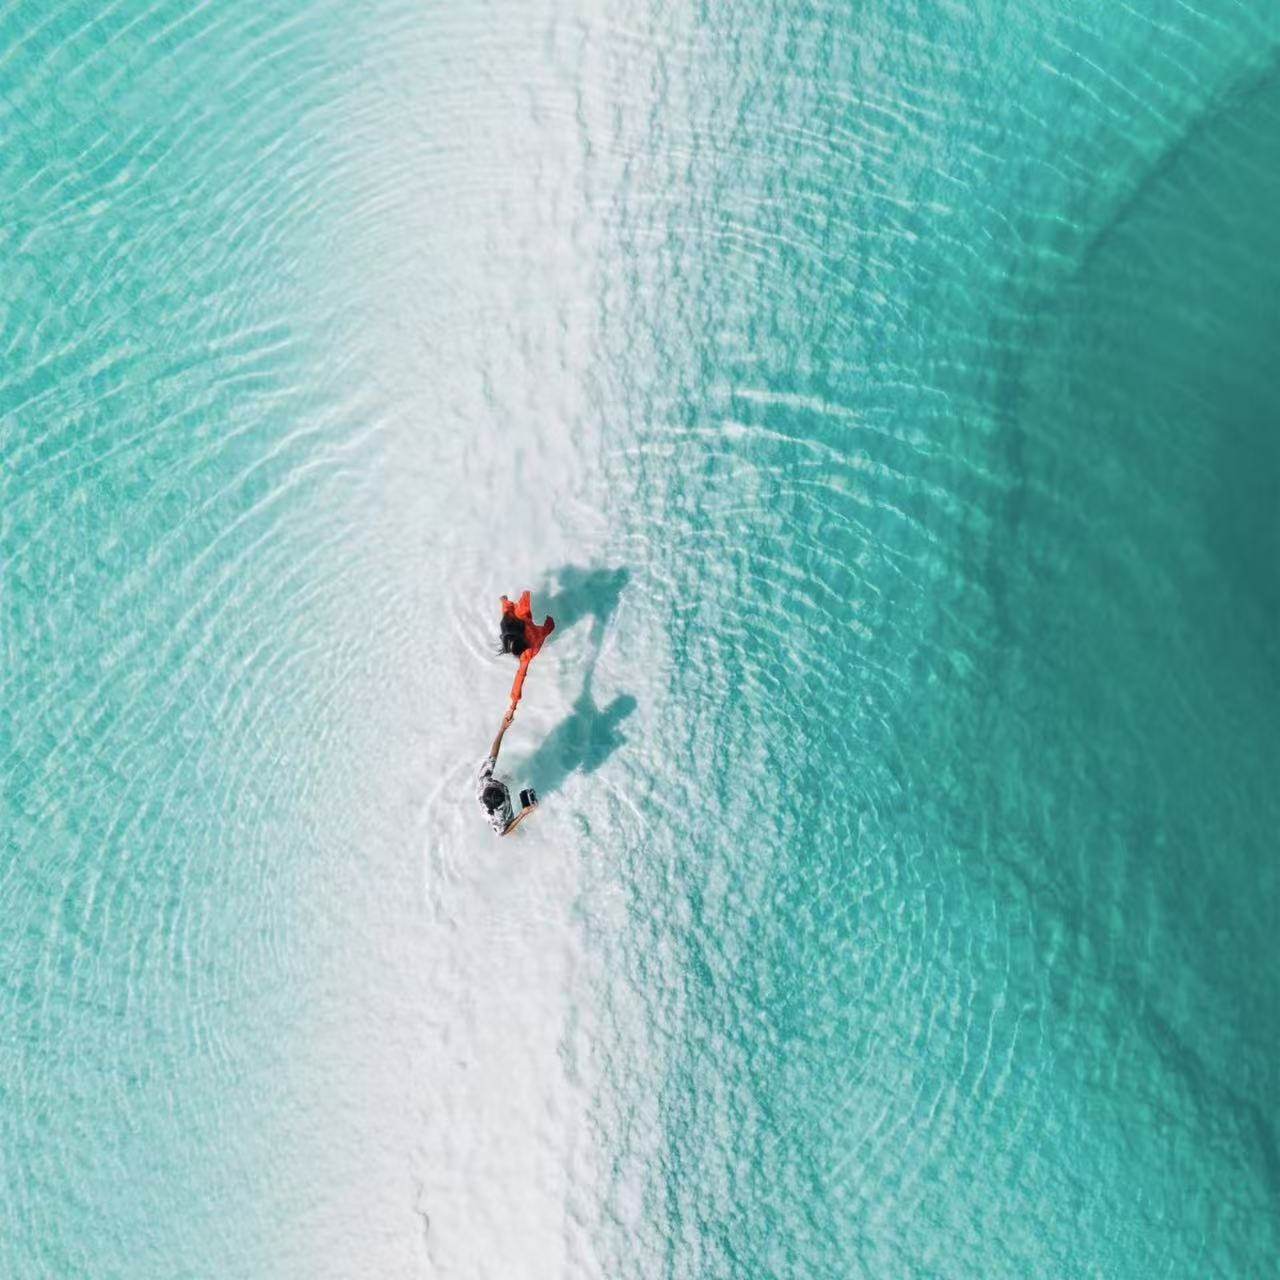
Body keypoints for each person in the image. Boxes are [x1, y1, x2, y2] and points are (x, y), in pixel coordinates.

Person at [476, 707, 538, 836]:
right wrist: (522, 814)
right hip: (503, 822)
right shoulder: (499, 817)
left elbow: (493, 755)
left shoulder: (484, 780)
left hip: (489, 796)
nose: (502, 787)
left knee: (506, 777)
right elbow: (502, 833)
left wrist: (502, 729)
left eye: (497, 784)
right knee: (516, 833)